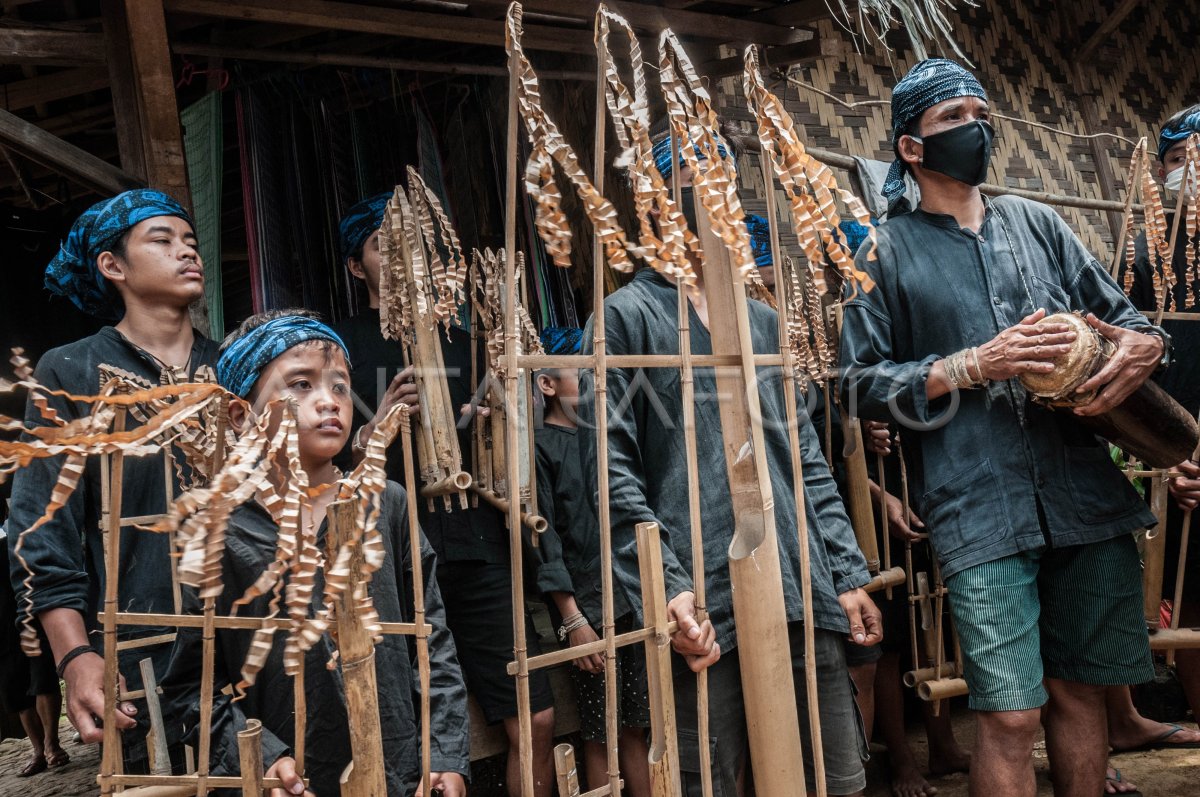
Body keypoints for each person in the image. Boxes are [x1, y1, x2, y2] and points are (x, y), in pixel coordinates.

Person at [839, 59, 1169, 797]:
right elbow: (855, 382)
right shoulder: (880, 251)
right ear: (910, 148)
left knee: (1081, 692)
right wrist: (970, 365)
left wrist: (1142, 344)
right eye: (953, 117)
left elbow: (1130, 322)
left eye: (982, 112)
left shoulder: (1039, 223)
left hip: (1083, 493)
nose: (977, 126)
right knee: (1013, 715)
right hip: (977, 506)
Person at [577, 134, 883, 797]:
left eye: (721, 170)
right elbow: (611, 472)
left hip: (801, 583)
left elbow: (803, 456)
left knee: (831, 773)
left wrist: (845, 571)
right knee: (705, 779)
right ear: (655, 200)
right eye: (692, 171)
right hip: (699, 595)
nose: (714, 184)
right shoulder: (625, 318)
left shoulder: (762, 320)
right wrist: (667, 587)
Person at [162, 311, 470, 796]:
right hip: (295, 781)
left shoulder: (385, 504)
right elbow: (192, 690)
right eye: (300, 385)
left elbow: (432, 641)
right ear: (242, 416)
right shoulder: (220, 534)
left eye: (340, 386)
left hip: (399, 769)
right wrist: (263, 757)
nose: (329, 401)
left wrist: (446, 753)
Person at [331, 194, 557, 796]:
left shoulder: (469, 342)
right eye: (385, 246)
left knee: (533, 715)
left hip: (477, 544)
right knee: (399, 727)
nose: (406, 260)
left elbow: (521, 445)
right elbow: (320, 461)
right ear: (357, 266)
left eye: (418, 248)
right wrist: (374, 429)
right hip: (390, 557)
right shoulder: (340, 351)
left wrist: (498, 421)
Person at [6, 189, 219, 768]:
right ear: (112, 265)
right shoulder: (70, 369)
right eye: (163, 239)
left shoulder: (230, 369)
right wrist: (75, 655)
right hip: (142, 656)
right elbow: (40, 528)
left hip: (246, 639)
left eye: (191, 241)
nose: (187, 251)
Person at [534, 326, 652, 796]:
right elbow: (546, 542)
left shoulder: (609, 441)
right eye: (582, 373)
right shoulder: (541, 449)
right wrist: (573, 619)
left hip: (630, 596)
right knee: (600, 729)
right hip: (588, 609)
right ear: (547, 384)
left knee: (636, 726)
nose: (595, 382)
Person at [1116, 102, 1200, 753]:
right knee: (1166, 595)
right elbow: (1118, 365)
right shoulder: (1136, 257)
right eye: (1180, 161)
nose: (1192, 173)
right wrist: (1159, 451)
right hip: (1159, 456)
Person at [0, 529, 68, 778]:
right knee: (14, 691)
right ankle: (38, 750)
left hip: (31, 618)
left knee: (42, 679)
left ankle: (52, 744)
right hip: (2, 630)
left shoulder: (17, 540)